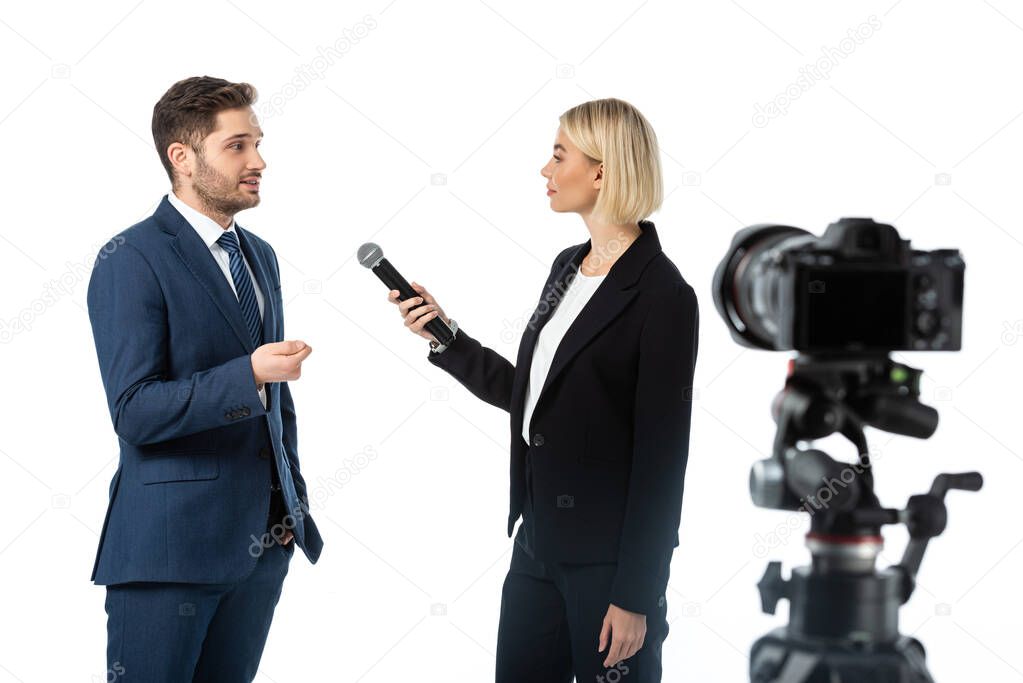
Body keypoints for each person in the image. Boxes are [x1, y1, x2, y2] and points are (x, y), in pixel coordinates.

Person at [388, 98, 700, 682]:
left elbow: (663, 460)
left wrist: (636, 594)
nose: (545, 170)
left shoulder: (663, 295)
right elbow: (537, 397)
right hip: (536, 548)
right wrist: (446, 337)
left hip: (609, 566)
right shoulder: (566, 266)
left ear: (602, 171)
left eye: (559, 155)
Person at [86, 76, 322, 682]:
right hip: (169, 553)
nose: (259, 161)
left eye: (258, 143)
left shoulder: (259, 254)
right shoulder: (132, 258)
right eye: (237, 146)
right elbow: (135, 411)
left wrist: (290, 502)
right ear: (182, 157)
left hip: (261, 547)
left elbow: (277, 401)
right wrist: (247, 374)